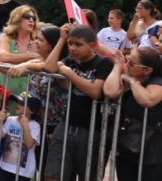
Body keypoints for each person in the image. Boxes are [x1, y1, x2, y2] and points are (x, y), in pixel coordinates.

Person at [42, 24, 113, 181]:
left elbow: (95, 91)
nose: (73, 48)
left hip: (92, 130)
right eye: (70, 43)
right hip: (66, 125)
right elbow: (49, 67)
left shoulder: (104, 64)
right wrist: (61, 39)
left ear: (92, 45)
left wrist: (69, 73)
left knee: (88, 176)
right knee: (52, 175)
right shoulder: (70, 61)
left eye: (78, 44)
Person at [103, 46, 162, 180]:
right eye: (127, 59)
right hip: (127, 147)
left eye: (131, 63)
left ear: (147, 70)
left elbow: (148, 100)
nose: (126, 64)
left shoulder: (158, 81)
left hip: (152, 152)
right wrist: (118, 65)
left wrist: (132, 81)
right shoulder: (129, 73)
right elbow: (110, 91)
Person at [0, 92, 42, 181]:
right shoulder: (10, 120)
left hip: (23, 172)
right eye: (17, 102)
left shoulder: (35, 125)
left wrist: (25, 127)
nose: (18, 105)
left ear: (32, 111)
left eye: (22, 104)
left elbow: (29, 145)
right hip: (5, 167)